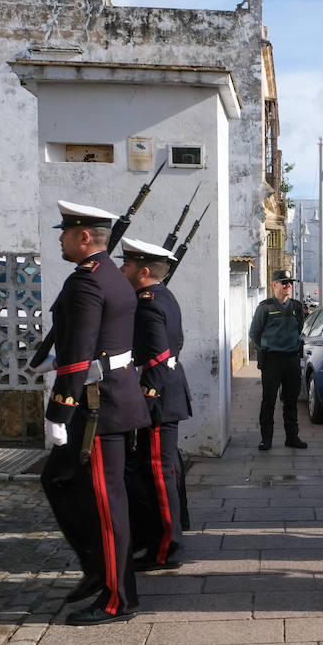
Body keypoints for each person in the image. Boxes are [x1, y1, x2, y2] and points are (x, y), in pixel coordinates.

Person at [40, 201, 149, 625]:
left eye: (65, 233)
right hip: (109, 395)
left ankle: (117, 598)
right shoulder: (112, 277)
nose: (60, 239)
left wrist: (59, 409)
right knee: (58, 479)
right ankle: (96, 567)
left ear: (84, 236)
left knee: (107, 503)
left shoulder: (87, 282)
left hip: (95, 407)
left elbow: (82, 351)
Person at [118, 236, 191, 571]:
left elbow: (159, 359)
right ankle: (159, 538)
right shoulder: (162, 295)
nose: (122, 269)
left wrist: (145, 402)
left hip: (158, 398)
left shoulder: (147, 302)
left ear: (143, 270)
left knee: (159, 474)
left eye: (128, 264)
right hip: (168, 392)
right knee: (161, 471)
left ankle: (166, 549)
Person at [249, 269, 307, 451]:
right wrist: (267, 347)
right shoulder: (265, 307)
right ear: (274, 285)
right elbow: (254, 333)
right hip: (272, 360)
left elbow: (300, 330)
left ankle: (292, 437)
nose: (288, 285)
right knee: (269, 401)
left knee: (291, 401)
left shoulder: (297, 307)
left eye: (290, 282)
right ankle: (266, 439)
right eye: (284, 282)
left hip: (292, 360)